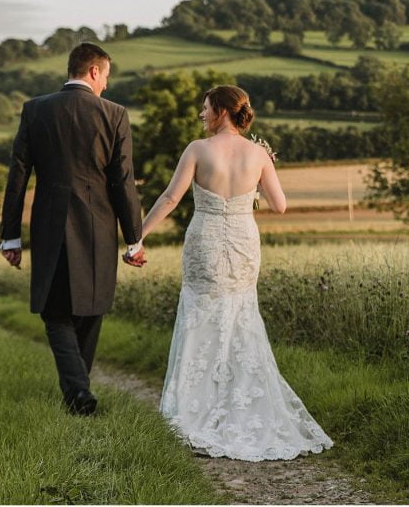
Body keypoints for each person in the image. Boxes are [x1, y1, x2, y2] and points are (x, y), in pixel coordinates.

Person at [137, 84, 333, 461]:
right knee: (240, 318)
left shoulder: (197, 149)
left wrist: (137, 236)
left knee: (200, 317)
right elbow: (279, 206)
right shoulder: (258, 154)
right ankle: (241, 406)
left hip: (206, 241)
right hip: (243, 243)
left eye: (205, 107)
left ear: (223, 110)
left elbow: (170, 199)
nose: (201, 114)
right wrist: (250, 192)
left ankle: (194, 410)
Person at [0, 42, 144, 417]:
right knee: (91, 308)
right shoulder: (115, 114)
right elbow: (123, 182)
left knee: (56, 311)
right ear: (94, 71)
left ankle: (77, 394)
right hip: (98, 225)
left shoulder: (35, 110)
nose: (107, 85)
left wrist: (10, 235)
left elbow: (17, 177)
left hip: (48, 223)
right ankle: (80, 393)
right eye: (106, 76)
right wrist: (134, 239)